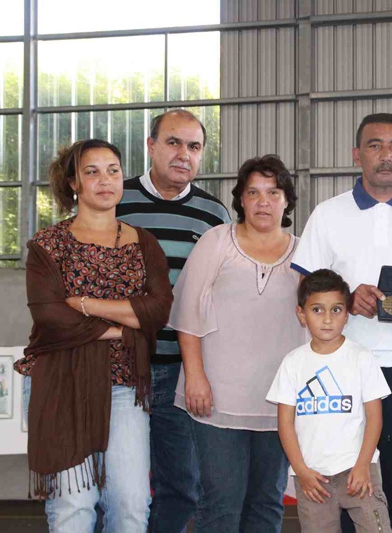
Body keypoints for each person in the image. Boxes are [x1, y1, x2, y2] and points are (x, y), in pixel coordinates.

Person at [291, 113, 392, 532]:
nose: (387, 155)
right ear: (357, 155)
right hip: (343, 367)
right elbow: (304, 286)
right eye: (375, 145)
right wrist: (347, 299)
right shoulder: (328, 215)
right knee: (347, 483)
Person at [14, 139, 172, 531]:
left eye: (113, 170)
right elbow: (51, 316)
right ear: (74, 183)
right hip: (61, 381)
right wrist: (123, 326)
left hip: (124, 384)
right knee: (74, 506)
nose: (105, 180)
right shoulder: (48, 245)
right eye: (92, 172)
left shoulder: (144, 243)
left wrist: (85, 304)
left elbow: (158, 310)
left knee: (131, 505)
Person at [168, 154, 307, 532]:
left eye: (273, 192)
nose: (263, 202)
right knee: (221, 503)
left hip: (279, 400)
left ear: (287, 200)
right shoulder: (216, 241)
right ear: (241, 199)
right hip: (216, 397)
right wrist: (195, 377)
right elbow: (187, 314)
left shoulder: (305, 252)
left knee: (267, 502)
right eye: (253, 192)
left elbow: (319, 318)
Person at [116, 109, 231, 533]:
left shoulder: (213, 214)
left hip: (181, 372)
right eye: (174, 142)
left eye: (194, 146)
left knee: (182, 487)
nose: (184, 154)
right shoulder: (114, 200)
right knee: (116, 488)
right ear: (150, 146)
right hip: (117, 370)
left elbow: (221, 295)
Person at [267, 269, 392, 533]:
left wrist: (363, 465)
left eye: (336, 310)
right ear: (301, 314)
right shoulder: (293, 363)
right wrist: (301, 471)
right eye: (317, 310)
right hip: (313, 478)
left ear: (346, 315)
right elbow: (285, 423)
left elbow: (375, 418)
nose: (327, 319)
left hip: (358, 470)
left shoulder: (361, 358)